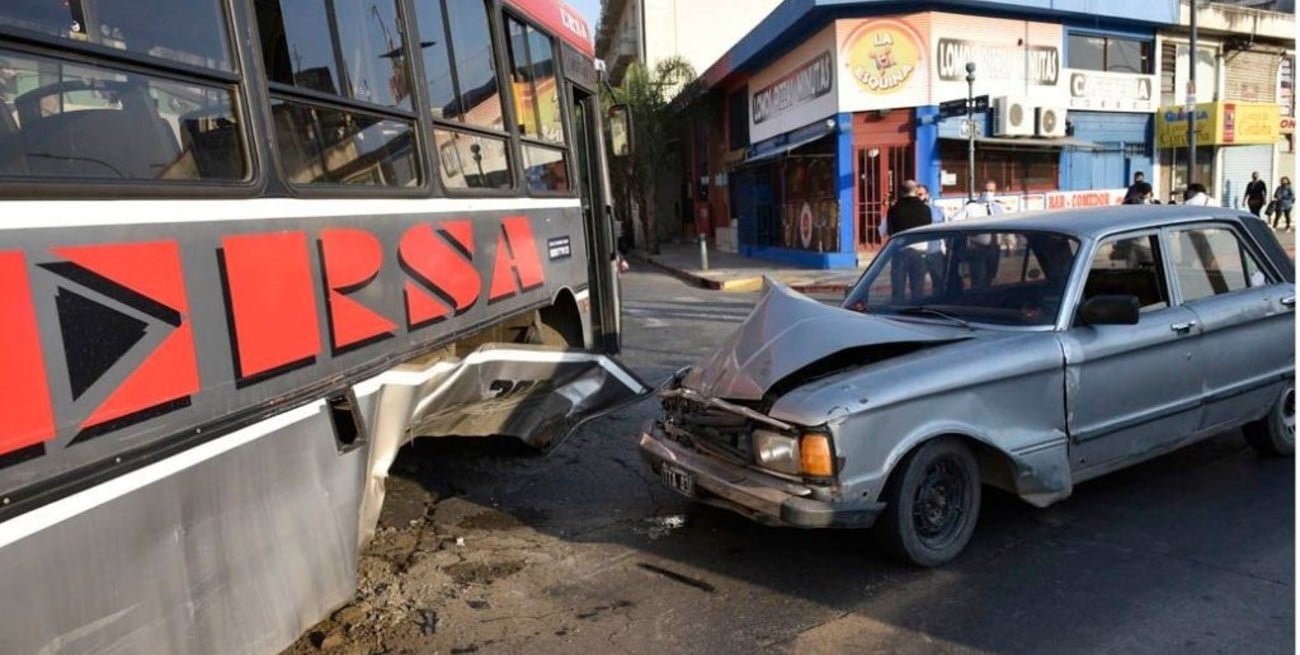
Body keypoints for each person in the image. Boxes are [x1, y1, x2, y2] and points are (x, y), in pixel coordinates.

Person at [882, 180, 931, 303]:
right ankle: (917, 312)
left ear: (901, 192)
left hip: (900, 250)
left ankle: (897, 312)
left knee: (898, 289)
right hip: (920, 251)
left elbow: (888, 231)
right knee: (918, 288)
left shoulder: (894, 210)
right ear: (915, 191)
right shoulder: (925, 209)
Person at [951, 180, 1004, 288]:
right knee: (978, 279)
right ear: (980, 190)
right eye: (985, 190)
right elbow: (954, 220)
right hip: (977, 249)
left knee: (991, 277)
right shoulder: (971, 207)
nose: (988, 193)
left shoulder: (998, 207)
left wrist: (1010, 243)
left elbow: (1007, 224)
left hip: (994, 249)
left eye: (991, 190)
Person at [917, 184, 946, 291]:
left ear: (927, 195)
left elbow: (944, 231)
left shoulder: (938, 211)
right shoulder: (911, 212)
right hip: (918, 254)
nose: (918, 198)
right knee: (918, 286)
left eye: (920, 194)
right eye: (916, 195)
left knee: (939, 283)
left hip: (935, 252)